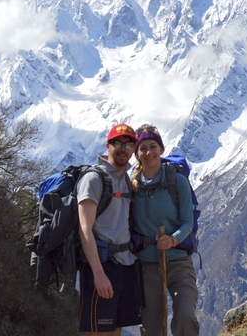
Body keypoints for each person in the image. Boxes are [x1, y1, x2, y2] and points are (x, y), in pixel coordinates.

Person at [130, 124, 199, 336]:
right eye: (143, 148)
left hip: (178, 261)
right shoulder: (131, 187)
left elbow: (188, 221)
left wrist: (173, 239)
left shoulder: (176, 181)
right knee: (151, 327)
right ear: (137, 153)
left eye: (153, 146)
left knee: (186, 315)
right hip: (147, 266)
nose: (148, 152)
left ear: (161, 149)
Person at [76, 123, 142, 336]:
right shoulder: (94, 179)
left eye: (128, 144)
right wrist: (98, 273)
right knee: (96, 331)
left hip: (125, 265)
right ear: (108, 145)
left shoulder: (126, 179)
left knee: (115, 330)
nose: (123, 148)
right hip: (101, 265)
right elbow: (84, 230)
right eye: (117, 143)